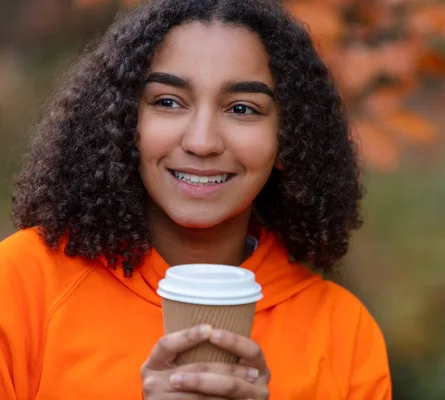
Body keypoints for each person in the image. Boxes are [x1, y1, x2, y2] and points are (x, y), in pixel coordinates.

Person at [0, 0, 392, 398]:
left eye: (242, 108)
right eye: (168, 102)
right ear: (119, 119)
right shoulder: (22, 285)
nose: (202, 142)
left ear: (290, 138)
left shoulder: (343, 332)